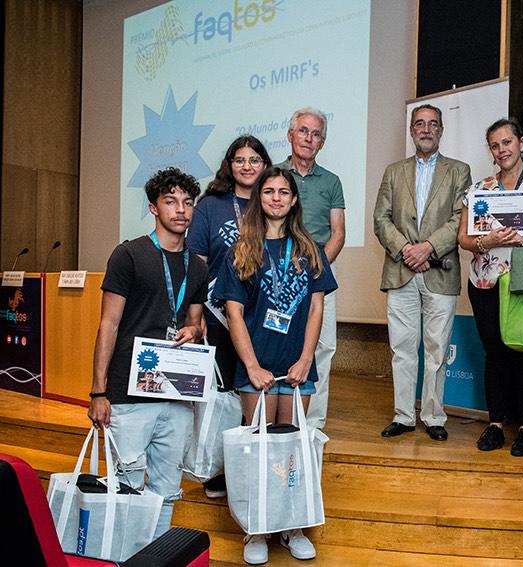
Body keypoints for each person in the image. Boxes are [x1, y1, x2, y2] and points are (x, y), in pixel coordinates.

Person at [214, 166, 337, 564]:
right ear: (258, 198)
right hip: (258, 369)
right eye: (269, 191)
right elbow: (233, 312)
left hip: (297, 369)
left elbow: (316, 306)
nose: (277, 198)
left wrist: (306, 359)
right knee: (259, 449)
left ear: (294, 199)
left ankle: (293, 527)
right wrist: (251, 367)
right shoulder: (243, 250)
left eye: (285, 191)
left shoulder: (310, 248)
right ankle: (256, 530)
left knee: (292, 453)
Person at [87, 167, 207, 537]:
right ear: (154, 207)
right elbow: (108, 324)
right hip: (128, 393)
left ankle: (157, 555)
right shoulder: (129, 255)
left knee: (167, 491)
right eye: (171, 201)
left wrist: (193, 329)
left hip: (176, 393)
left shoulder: (198, 267)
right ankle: (125, 556)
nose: (181, 210)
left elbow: (196, 324)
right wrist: (98, 391)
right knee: (125, 489)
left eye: (187, 202)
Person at [457, 117, 523, 457]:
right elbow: (463, 238)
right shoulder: (478, 191)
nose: (502, 149)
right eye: (495, 145)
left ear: (521, 143)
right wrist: (485, 241)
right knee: (496, 353)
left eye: (507, 142)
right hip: (486, 281)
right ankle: (495, 424)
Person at [373, 103, 471, 441]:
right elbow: (380, 219)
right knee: (402, 348)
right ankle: (403, 415)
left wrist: (427, 247)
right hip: (400, 271)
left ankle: (433, 416)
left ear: (441, 130)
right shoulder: (393, 171)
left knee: (436, 349)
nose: (426, 129)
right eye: (419, 123)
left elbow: (461, 217)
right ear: (411, 130)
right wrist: (405, 250)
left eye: (433, 124)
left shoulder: (459, 171)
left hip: (440, 270)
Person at [186, 135, 272, 499]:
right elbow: (198, 261)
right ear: (229, 164)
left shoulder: (272, 199)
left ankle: (254, 467)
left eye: (255, 159)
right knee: (225, 393)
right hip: (219, 312)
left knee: (256, 386)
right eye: (240, 160)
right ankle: (221, 468)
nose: (248, 166)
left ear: (264, 164)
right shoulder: (211, 205)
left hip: (264, 313)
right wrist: (197, 312)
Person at [276, 107, 345, 431]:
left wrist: (315, 270)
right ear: (291, 135)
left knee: (322, 347)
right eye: (303, 131)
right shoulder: (273, 176)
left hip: (318, 276)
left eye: (316, 134)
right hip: (276, 278)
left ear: (323, 142)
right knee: (277, 342)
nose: (309, 138)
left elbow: (338, 232)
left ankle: (312, 424)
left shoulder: (332, 181)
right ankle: (277, 418)